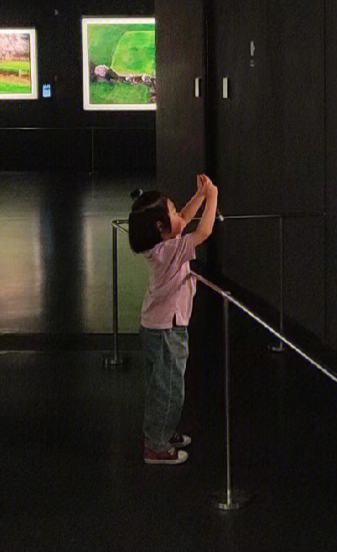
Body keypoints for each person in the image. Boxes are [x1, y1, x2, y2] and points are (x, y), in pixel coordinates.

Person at [128, 174, 218, 465]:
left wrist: (200, 195)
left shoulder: (162, 243)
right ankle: (155, 445)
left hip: (159, 326)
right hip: (167, 328)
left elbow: (184, 218)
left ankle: (162, 431)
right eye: (172, 211)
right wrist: (213, 196)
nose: (179, 214)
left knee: (161, 384)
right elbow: (203, 231)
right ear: (160, 227)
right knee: (169, 388)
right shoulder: (168, 251)